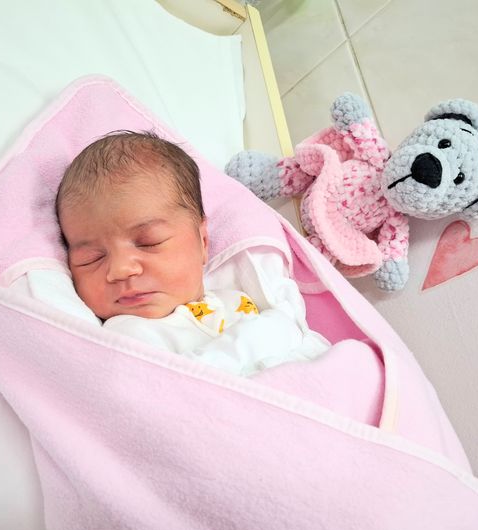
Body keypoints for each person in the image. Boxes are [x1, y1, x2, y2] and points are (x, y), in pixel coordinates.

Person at [55, 131, 329, 376]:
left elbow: (298, 333)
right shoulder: (125, 337)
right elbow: (179, 388)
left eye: (148, 242)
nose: (120, 270)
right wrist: (265, 332)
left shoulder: (237, 300)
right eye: (91, 258)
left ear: (203, 242)